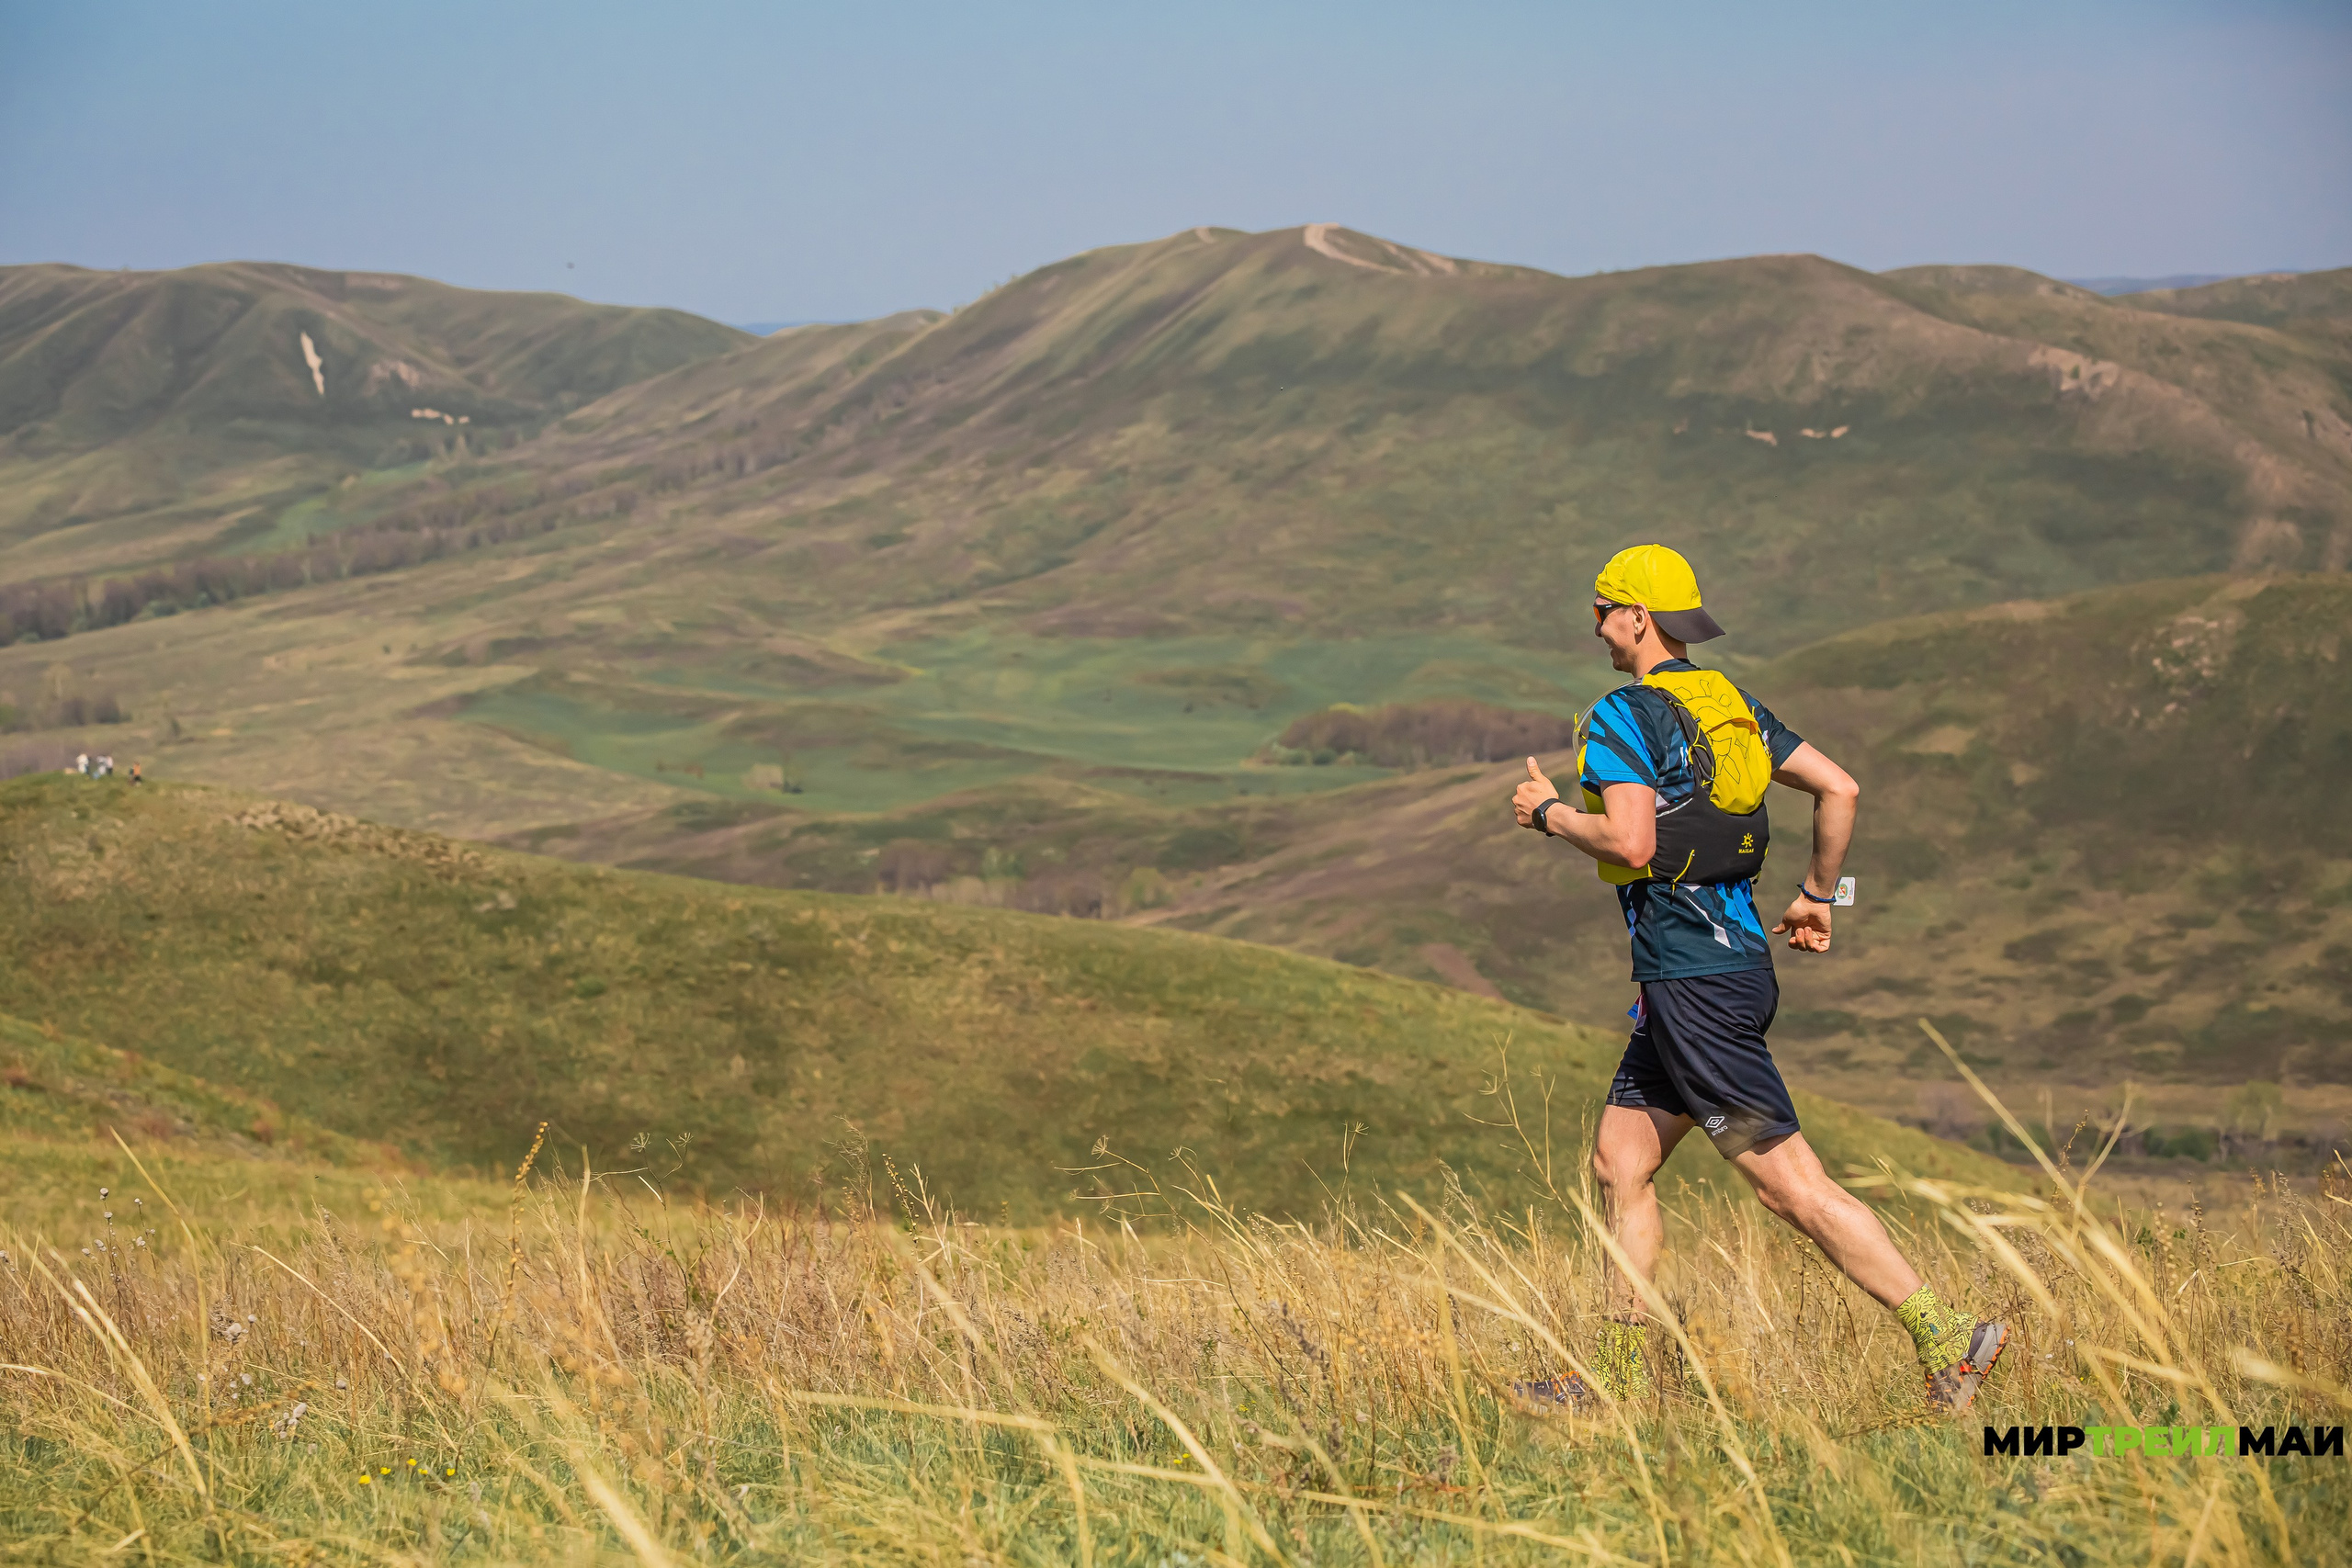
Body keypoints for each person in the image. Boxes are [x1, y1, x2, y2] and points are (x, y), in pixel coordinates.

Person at [1510, 543, 2006, 1416]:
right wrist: (1818, 896)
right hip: (1712, 974)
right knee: (1619, 1160)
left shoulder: (1625, 714)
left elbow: (1631, 844)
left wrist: (1549, 815)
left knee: (1791, 1186)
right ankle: (1615, 1386)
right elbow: (1839, 788)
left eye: (1602, 608)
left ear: (1636, 618)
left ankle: (1949, 1336)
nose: (1593, 624)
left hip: (1696, 986)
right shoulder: (1727, 701)